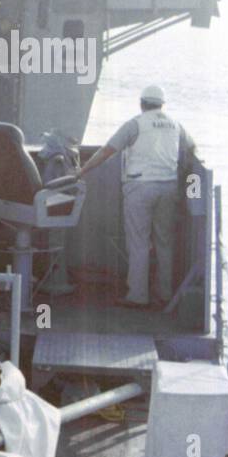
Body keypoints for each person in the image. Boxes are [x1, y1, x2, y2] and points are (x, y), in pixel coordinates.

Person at [76, 85, 196, 309]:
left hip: (140, 188)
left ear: (142, 104)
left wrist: (82, 170)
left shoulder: (135, 124)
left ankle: (138, 296)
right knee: (164, 242)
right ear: (162, 104)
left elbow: (107, 151)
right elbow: (191, 148)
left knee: (139, 242)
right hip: (168, 188)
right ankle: (164, 294)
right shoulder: (176, 125)